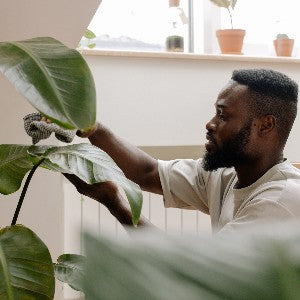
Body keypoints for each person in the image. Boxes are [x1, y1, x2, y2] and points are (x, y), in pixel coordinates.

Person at [64, 68, 300, 234]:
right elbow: (148, 171)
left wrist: (115, 203)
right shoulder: (226, 176)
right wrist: (91, 127)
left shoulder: (279, 202)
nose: (210, 124)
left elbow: (192, 273)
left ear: (266, 125)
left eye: (223, 115)